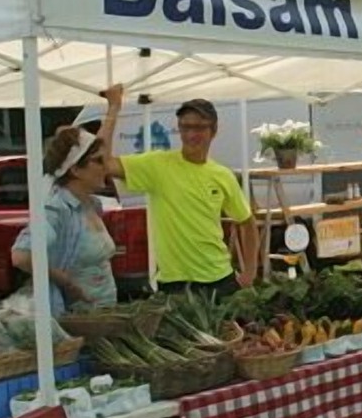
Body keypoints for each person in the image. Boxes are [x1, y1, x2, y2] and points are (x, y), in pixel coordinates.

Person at [103, 92, 259, 298]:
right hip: (175, 285)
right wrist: (113, 108)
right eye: (185, 127)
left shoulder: (223, 175)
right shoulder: (157, 165)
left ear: (214, 130)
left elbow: (247, 222)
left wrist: (250, 273)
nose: (191, 134)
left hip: (221, 280)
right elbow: (104, 163)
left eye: (199, 127)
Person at [10, 86, 124, 315]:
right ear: (76, 170)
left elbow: (97, 147)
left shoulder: (90, 205)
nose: (106, 166)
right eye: (99, 162)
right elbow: (21, 256)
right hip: (75, 322)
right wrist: (65, 282)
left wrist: (113, 108)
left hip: (104, 316)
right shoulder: (56, 209)